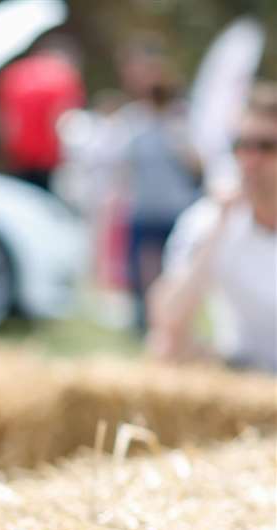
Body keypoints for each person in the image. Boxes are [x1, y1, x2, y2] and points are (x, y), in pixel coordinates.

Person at [148, 83, 277, 375]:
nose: (250, 160)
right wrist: (219, 226)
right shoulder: (210, 219)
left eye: (267, 147)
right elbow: (167, 319)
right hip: (245, 371)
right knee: (166, 347)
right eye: (241, 145)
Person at [114, 37, 201, 335]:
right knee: (143, 274)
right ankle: (144, 324)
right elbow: (124, 167)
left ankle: (172, 326)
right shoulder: (132, 120)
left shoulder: (183, 118)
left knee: (173, 273)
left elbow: (197, 165)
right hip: (144, 208)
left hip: (175, 209)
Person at [0, 33, 85, 190]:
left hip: (17, 160)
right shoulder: (64, 76)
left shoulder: (14, 74)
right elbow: (63, 122)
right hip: (50, 163)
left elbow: (1, 123)